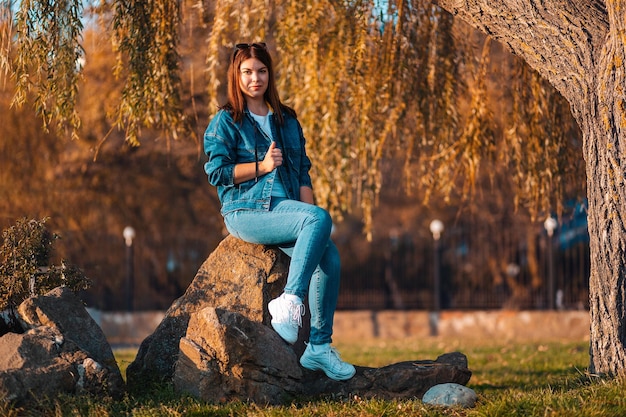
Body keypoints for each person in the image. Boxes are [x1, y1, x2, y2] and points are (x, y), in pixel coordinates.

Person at [203, 42, 356, 381]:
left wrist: (311, 221)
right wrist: (260, 166)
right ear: (236, 76)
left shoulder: (287, 120)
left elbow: (302, 172)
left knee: (328, 255)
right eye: (247, 72)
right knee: (318, 219)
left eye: (260, 71)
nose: (255, 78)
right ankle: (290, 301)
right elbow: (217, 173)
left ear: (269, 74)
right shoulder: (226, 121)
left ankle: (318, 347)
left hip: (286, 210)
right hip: (245, 211)